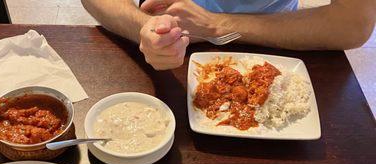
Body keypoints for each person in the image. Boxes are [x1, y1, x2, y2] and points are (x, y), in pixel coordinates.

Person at [81, 0, 375, 70]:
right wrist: (142, 26)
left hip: (275, 41)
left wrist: (218, 26)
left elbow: (351, 23)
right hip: (150, 43)